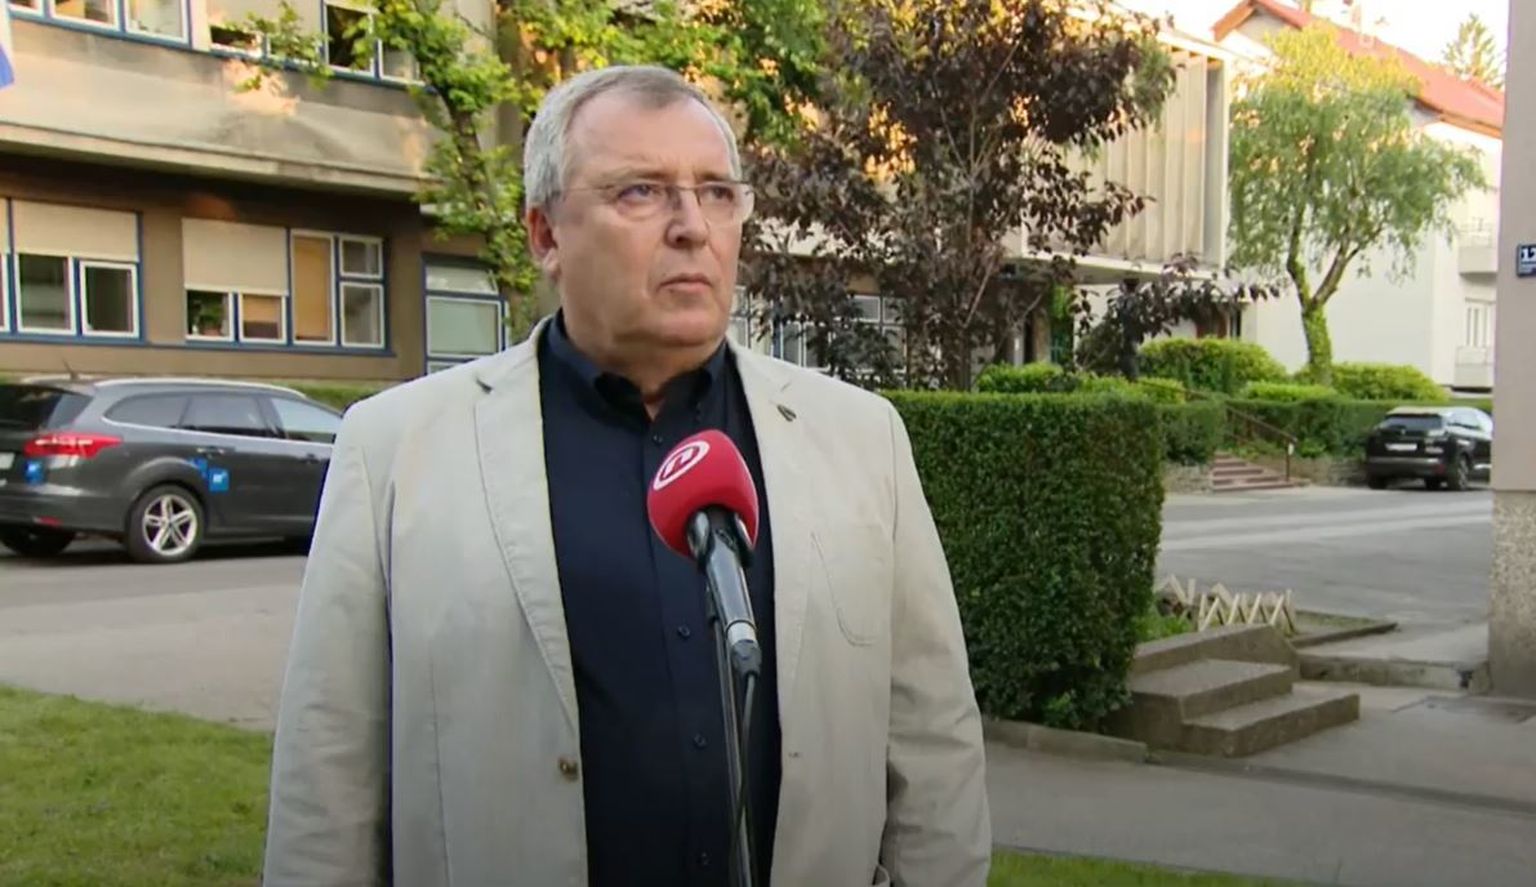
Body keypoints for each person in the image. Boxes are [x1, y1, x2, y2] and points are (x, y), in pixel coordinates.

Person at [261, 64, 990, 887]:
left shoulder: (860, 440)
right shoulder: (396, 449)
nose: (693, 227)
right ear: (546, 234)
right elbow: (327, 779)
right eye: (641, 191)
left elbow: (933, 743)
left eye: (717, 193)